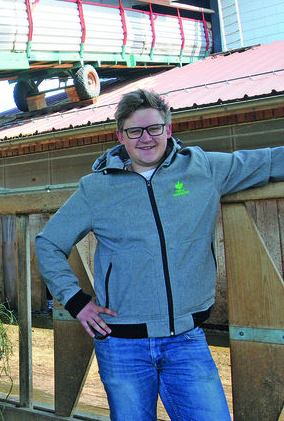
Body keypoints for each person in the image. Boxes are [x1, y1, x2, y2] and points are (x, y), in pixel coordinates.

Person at [35, 89, 284, 420]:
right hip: (121, 344)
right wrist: (76, 301)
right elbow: (48, 243)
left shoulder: (203, 168)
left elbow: (268, 161)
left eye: (154, 128)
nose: (146, 138)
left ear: (168, 129)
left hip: (186, 340)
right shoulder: (96, 189)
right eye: (135, 131)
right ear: (120, 136)